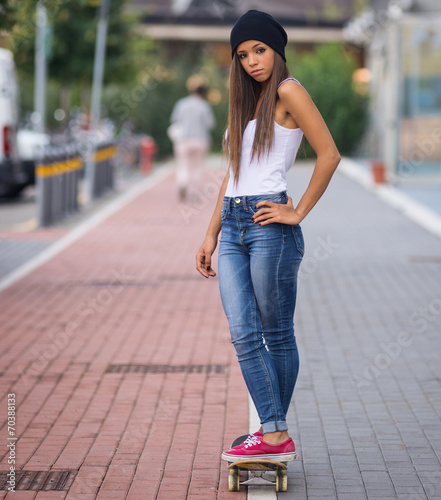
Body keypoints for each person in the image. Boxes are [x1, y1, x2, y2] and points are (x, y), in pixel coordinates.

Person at [196, 10, 341, 461]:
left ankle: (273, 433)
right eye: (242, 54)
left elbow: (329, 155)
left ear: (276, 50)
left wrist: (296, 211)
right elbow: (233, 174)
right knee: (242, 332)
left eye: (259, 50)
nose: (252, 61)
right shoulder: (246, 102)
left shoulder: (287, 90)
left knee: (275, 334)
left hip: (268, 228)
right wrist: (210, 235)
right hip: (235, 226)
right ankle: (274, 431)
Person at [169, 77, 215, 201]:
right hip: (200, 140)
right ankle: (194, 192)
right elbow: (210, 124)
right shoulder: (204, 106)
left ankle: (182, 183)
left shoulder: (181, 103)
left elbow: (174, 120)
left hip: (183, 140)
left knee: (183, 165)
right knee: (197, 167)